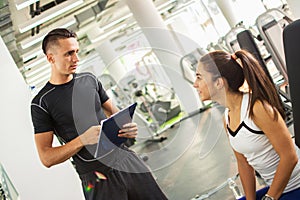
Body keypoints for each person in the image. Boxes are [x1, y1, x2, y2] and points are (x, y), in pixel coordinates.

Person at [30, 28, 168, 200]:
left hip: (126, 160)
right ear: (51, 58)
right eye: (69, 53)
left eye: (77, 52)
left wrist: (127, 127)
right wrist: (82, 140)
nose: (76, 59)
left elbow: (114, 113)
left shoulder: (90, 79)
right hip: (96, 177)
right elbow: (46, 157)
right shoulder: (41, 103)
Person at [193, 49, 300, 200]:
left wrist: (270, 198)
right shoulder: (227, 118)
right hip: (278, 190)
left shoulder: (257, 108)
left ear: (219, 82)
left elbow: (290, 156)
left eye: (199, 77)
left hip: (296, 185)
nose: (195, 84)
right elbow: (243, 164)